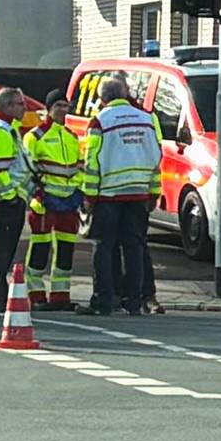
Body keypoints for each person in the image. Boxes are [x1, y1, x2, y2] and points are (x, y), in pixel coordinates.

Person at [79, 78, 161, 315]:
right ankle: (133, 301)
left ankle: (103, 300)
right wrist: (153, 192)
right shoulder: (146, 119)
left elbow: (92, 162)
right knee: (134, 247)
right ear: (125, 94)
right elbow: (156, 159)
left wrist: (90, 196)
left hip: (108, 194)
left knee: (103, 247)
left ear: (103, 99)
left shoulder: (100, 121)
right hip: (138, 193)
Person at [24, 93, 85, 309]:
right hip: (45, 201)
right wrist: (37, 193)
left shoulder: (71, 136)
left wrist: (80, 192)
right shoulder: (35, 136)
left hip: (69, 202)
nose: (63, 109)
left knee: (66, 248)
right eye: (58, 105)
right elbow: (27, 169)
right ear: (49, 108)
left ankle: (61, 296)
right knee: (40, 247)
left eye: (65, 105)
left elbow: (79, 167)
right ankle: (35, 294)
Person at [0, 88, 36, 313]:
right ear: (9, 106)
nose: (25, 108)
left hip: (7, 199)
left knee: (4, 249)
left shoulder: (7, 129)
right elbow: (0, 169)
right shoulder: (1, 132)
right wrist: (12, 196)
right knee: (2, 250)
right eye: (21, 104)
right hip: (5, 200)